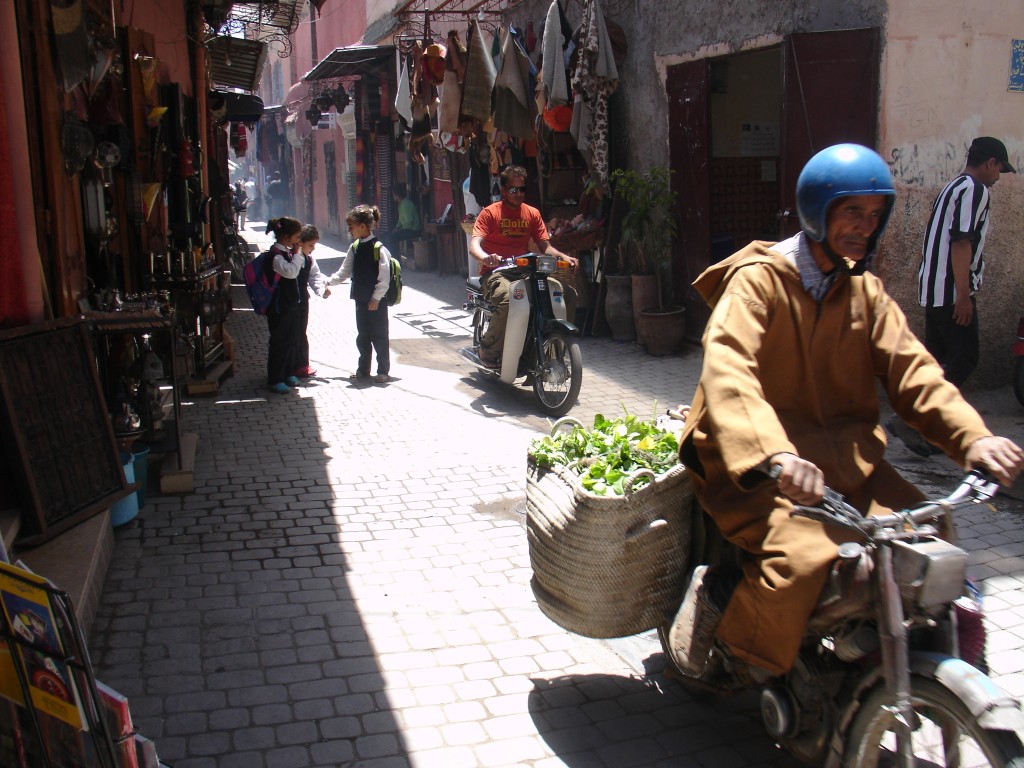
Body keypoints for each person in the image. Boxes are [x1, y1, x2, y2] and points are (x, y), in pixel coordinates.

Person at [673, 143, 1024, 684]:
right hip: (756, 469)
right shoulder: (758, 281)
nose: (865, 226)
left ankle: (887, 658)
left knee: (931, 535)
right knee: (804, 559)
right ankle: (741, 648)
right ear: (818, 210)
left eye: (875, 215)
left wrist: (973, 439)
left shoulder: (867, 292)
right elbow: (729, 370)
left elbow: (915, 373)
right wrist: (776, 454)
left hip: (846, 467)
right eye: (852, 212)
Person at [888, 136, 1016, 456]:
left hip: (932, 289)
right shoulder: (975, 190)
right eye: (999, 169)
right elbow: (961, 243)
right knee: (964, 359)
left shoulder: (952, 187)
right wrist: (963, 296)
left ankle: (924, 426)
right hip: (949, 291)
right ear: (990, 163)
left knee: (939, 362)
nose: (999, 177)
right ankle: (912, 420)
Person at [468, 165, 576, 367]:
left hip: (526, 271)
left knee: (564, 293)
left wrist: (564, 257)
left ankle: (555, 345)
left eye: (522, 189)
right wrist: (486, 257)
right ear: (503, 190)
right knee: (508, 300)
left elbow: (546, 247)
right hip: (496, 272)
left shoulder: (532, 213)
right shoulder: (490, 213)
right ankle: (488, 350)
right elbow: (474, 245)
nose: (518, 194)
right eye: (513, 189)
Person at [326, 205, 394, 384]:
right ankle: (363, 369)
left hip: (376, 302)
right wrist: (329, 282)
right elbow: (344, 271)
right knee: (363, 335)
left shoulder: (379, 249)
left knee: (380, 336)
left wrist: (376, 298)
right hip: (360, 300)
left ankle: (383, 370)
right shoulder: (354, 247)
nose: (349, 230)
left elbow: (384, 278)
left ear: (363, 226)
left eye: (351, 226)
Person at [262, 216, 305, 394]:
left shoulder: (285, 253)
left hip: (289, 305)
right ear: (286, 237)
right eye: (296, 236)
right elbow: (291, 272)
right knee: (279, 341)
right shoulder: (275, 256)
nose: (298, 241)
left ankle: (287, 372)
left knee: (291, 339)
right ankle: (275, 377)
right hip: (279, 308)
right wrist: (297, 255)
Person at [292, 224, 329, 379]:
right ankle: (292, 366)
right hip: (290, 302)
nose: (313, 249)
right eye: (311, 245)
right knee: (292, 334)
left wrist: (321, 290)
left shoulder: (309, 259)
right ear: (300, 243)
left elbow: (315, 276)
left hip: (302, 301)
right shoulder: (291, 258)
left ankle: (302, 365)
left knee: (301, 332)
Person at [387, 184, 420, 257]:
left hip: (413, 230)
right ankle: (395, 257)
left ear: (396, 195)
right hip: (407, 229)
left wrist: (400, 229)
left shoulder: (406, 204)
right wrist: (397, 228)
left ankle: (395, 258)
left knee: (391, 238)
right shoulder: (400, 205)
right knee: (390, 235)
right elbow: (400, 220)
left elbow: (409, 223)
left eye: (393, 194)